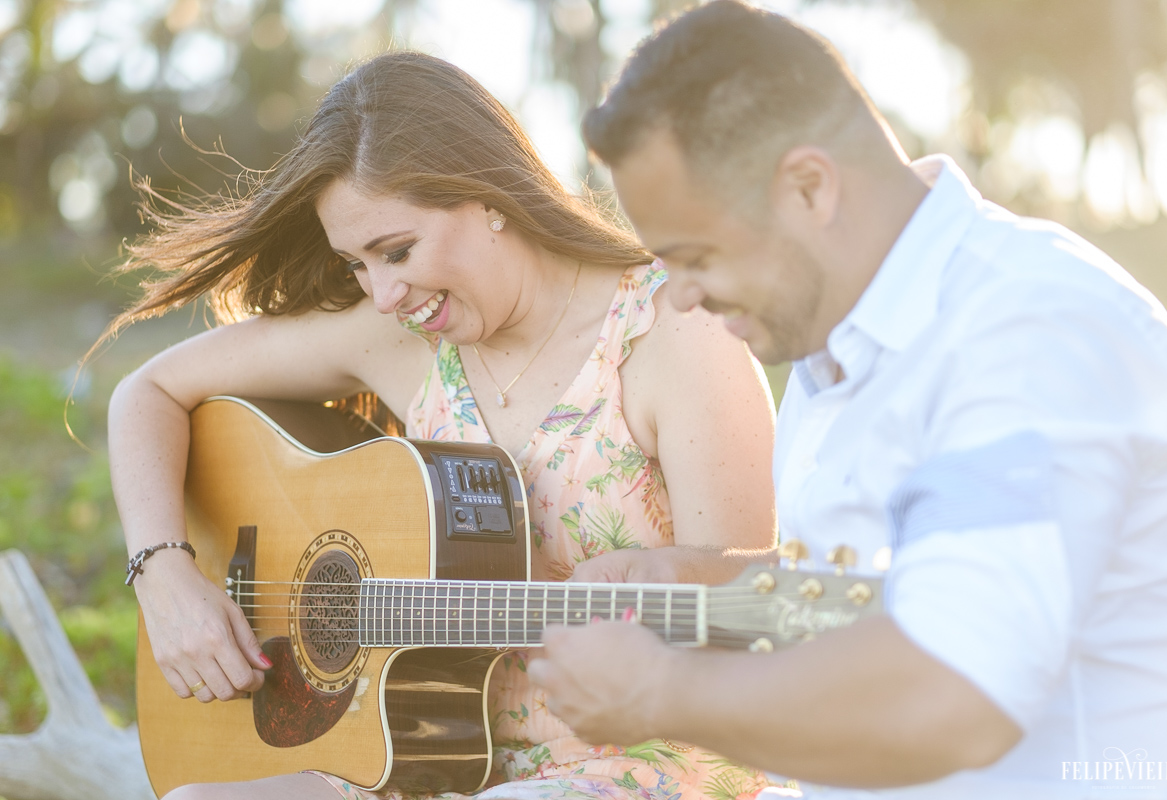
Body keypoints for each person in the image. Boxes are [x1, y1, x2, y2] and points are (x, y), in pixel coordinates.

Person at [525, 3, 1167, 799]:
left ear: (809, 187)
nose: (679, 297)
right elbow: (884, 591)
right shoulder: (835, 340)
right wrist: (697, 582)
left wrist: (659, 693)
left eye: (696, 255)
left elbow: (955, 691)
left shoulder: (1024, 329)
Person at [106, 51, 779, 800]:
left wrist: (666, 592)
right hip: (422, 758)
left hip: (643, 761)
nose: (383, 293)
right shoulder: (399, 339)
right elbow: (148, 392)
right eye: (356, 265)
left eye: (397, 251)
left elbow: (747, 603)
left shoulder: (676, 332)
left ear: (489, 195)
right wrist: (164, 574)